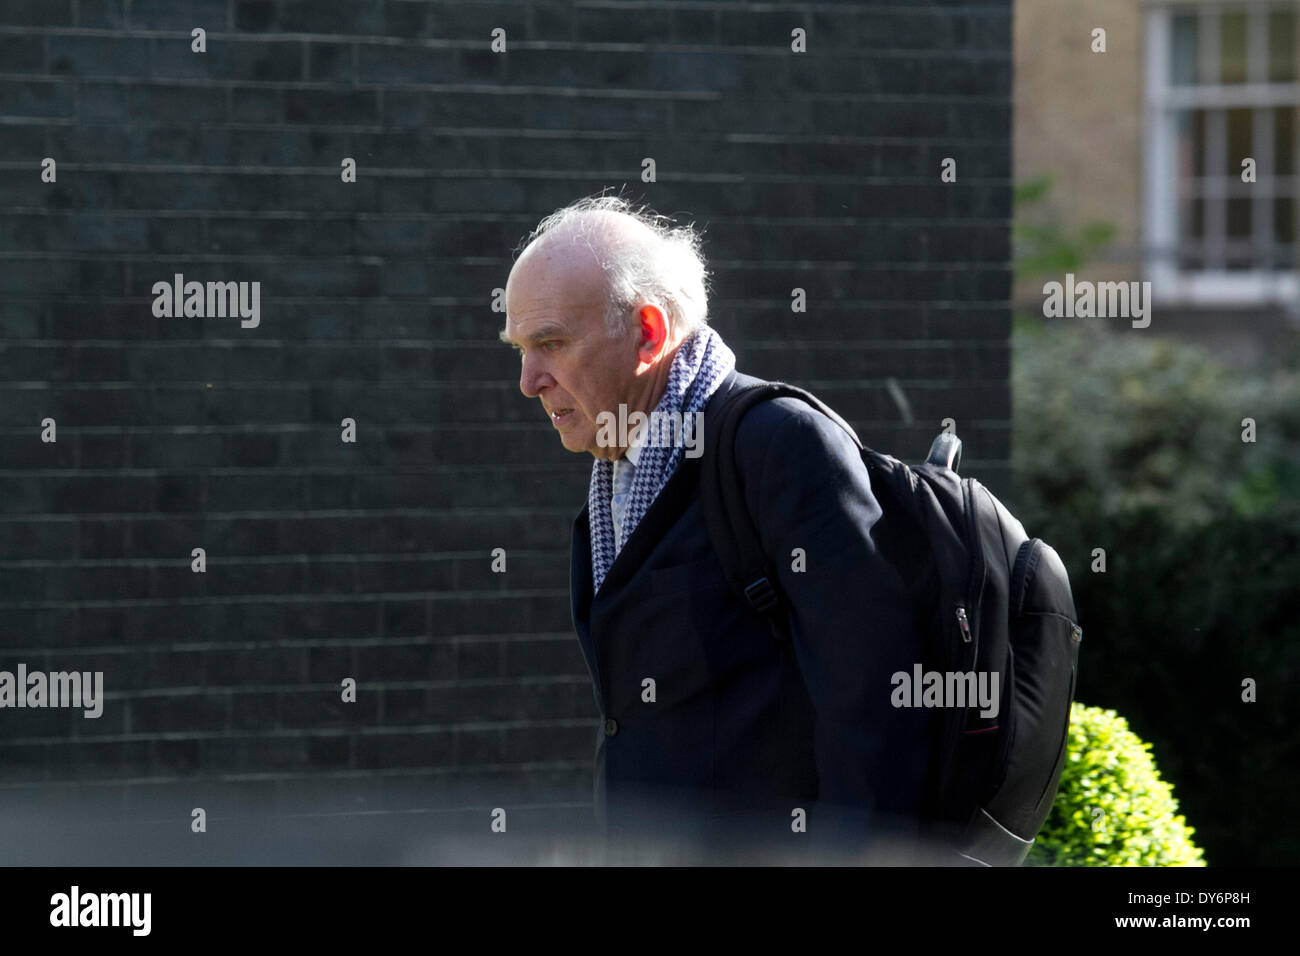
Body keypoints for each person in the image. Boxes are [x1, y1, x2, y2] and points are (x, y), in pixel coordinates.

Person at [500, 195, 930, 863]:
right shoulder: (616, 474)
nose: (529, 381)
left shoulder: (779, 445)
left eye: (550, 343)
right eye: (521, 350)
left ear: (647, 333)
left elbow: (880, 704)